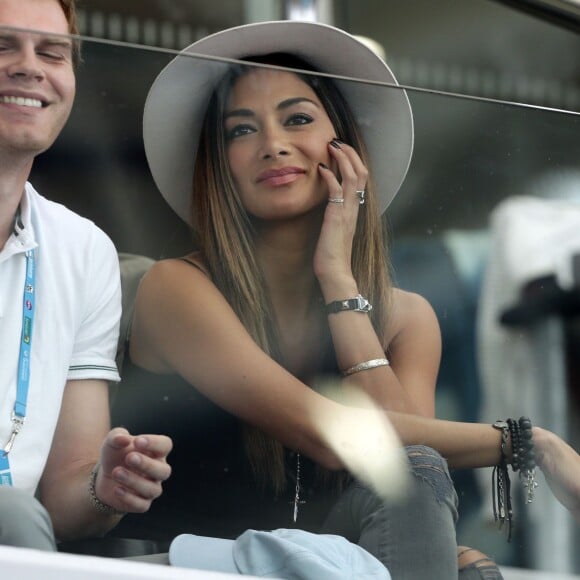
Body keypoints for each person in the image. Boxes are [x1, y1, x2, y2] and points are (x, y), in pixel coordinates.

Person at [121, 20, 506, 579]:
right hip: (193, 568)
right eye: (240, 131)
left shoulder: (407, 317)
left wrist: (337, 280)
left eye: (297, 119)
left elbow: (408, 471)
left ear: (345, 146)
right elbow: (327, 436)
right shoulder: (176, 288)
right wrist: (522, 443)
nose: (273, 144)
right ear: (220, 165)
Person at [0, 0, 172, 551]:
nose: (31, 67)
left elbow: (64, 499)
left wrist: (105, 486)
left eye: (52, 52)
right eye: (3, 45)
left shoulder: (84, 250)